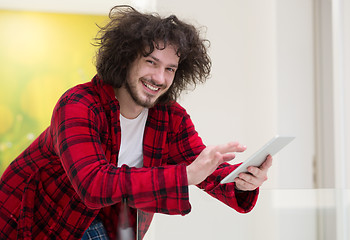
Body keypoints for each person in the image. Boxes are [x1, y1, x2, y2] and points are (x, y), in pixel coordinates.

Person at [0, 5, 272, 240]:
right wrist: (185, 175)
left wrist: (241, 180)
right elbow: (93, 183)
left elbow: (202, 168)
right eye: (151, 62)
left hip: (107, 223)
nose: (160, 78)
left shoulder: (170, 117)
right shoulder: (78, 104)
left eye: (170, 69)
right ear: (126, 58)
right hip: (31, 221)